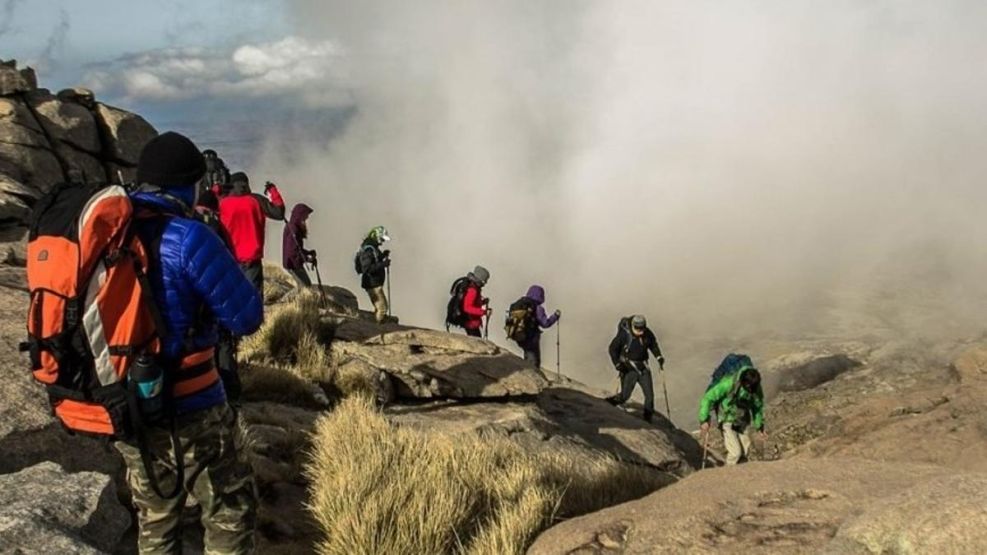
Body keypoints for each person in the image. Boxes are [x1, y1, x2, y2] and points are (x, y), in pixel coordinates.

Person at [119, 131, 263, 553]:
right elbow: (246, 316)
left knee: (158, 518)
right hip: (192, 401)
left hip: (128, 404)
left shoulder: (113, 231)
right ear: (191, 183)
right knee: (229, 510)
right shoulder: (189, 237)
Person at [219, 173, 285, 294]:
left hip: (229, 257)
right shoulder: (256, 200)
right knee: (253, 296)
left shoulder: (222, 203)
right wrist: (272, 191)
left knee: (233, 296)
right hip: (252, 259)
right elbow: (279, 213)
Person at [699, 365, 765, 465]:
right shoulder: (728, 384)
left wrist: (759, 426)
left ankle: (741, 475)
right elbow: (709, 398)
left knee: (745, 451)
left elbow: (757, 406)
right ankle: (728, 474)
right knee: (735, 453)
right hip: (727, 418)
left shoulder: (755, 387)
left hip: (743, 418)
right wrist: (704, 419)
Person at [606, 314, 665, 422]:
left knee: (650, 396)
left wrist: (658, 356)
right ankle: (608, 404)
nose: (640, 331)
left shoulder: (647, 333)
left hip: (643, 367)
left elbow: (653, 345)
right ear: (633, 326)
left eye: (642, 328)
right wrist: (617, 364)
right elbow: (612, 349)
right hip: (628, 369)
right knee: (625, 396)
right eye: (638, 329)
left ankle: (648, 420)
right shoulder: (624, 335)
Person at [507, 285, 560, 368]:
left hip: (519, 334)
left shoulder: (520, 304)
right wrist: (555, 316)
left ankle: (526, 371)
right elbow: (545, 324)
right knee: (533, 361)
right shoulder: (537, 308)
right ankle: (530, 376)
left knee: (527, 354)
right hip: (531, 337)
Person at [355, 225, 391, 323]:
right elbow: (367, 268)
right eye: (381, 239)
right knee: (382, 308)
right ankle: (377, 328)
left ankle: (376, 325)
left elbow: (374, 261)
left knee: (379, 307)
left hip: (373, 283)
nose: (382, 242)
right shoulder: (369, 249)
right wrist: (383, 264)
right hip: (373, 285)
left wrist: (383, 255)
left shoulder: (371, 248)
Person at [283, 203, 316, 288]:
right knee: (305, 287)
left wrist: (308, 253)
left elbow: (296, 249)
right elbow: (292, 252)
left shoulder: (293, 227)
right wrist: (307, 258)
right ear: (299, 216)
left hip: (293, 263)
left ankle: (288, 300)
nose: (306, 218)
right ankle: (285, 300)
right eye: (305, 216)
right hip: (293, 264)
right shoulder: (294, 229)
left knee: (305, 286)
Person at [461, 266, 491, 337]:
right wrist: (484, 312)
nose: (485, 283)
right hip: (471, 323)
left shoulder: (473, 287)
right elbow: (467, 308)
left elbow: (473, 303)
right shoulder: (473, 290)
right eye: (484, 280)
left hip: (472, 323)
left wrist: (483, 302)